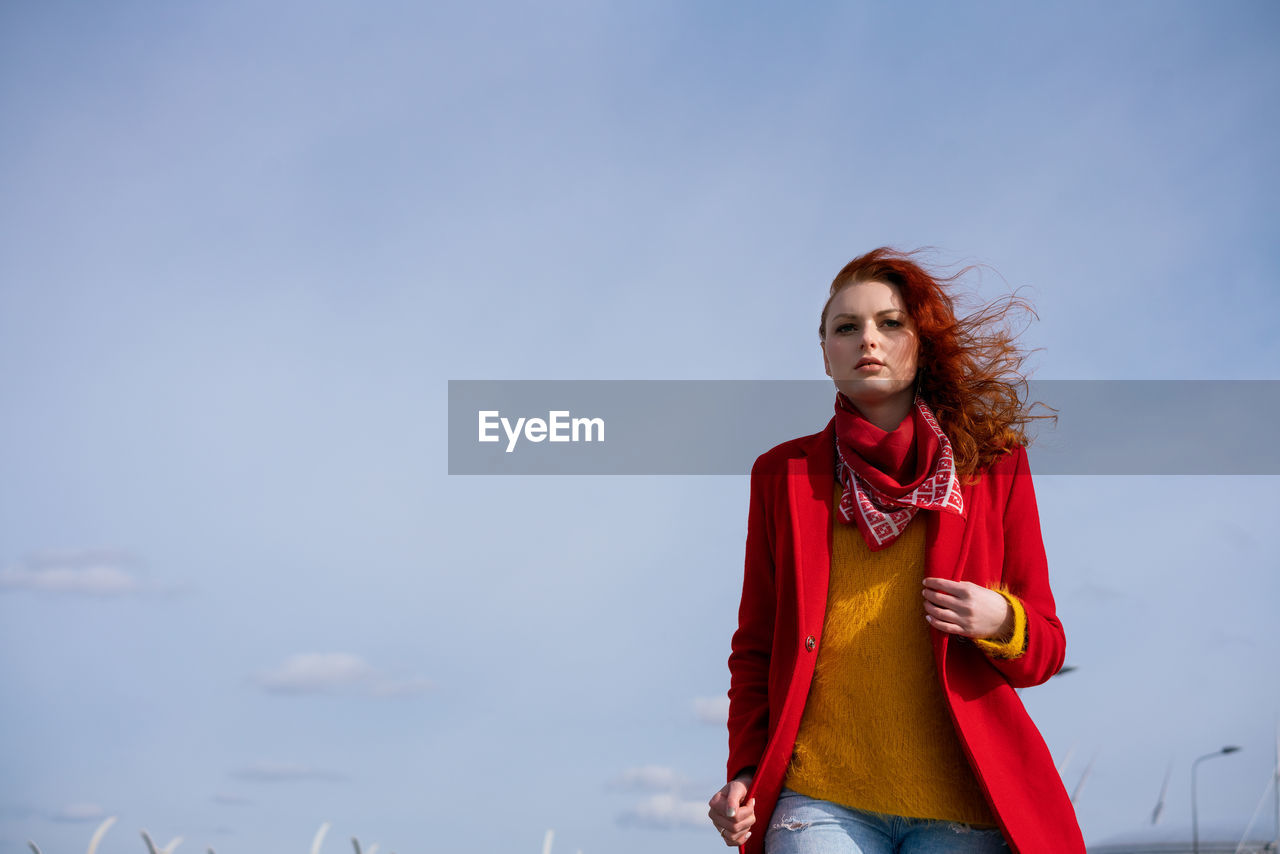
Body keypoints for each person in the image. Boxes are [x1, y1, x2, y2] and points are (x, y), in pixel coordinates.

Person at [707, 248, 1085, 854]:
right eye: (846, 327)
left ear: (921, 340)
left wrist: (1000, 620)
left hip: (961, 806)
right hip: (820, 796)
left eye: (890, 323)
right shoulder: (783, 475)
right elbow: (755, 647)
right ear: (825, 355)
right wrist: (746, 771)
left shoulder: (994, 464)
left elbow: (1045, 649)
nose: (868, 340)